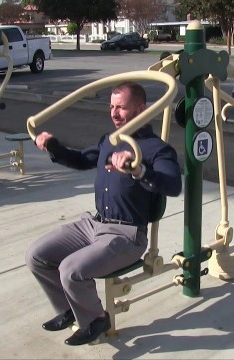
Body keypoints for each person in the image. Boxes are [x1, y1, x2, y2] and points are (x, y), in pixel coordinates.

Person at [25, 81, 182, 346]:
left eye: (121, 107)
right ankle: (68, 310)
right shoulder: (110, 142)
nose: (114, 113)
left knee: (70, 270)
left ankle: (96, 319)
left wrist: (139, 170)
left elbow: (173, 185)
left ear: (141, 109)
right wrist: (53, 146)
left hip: (126, 235)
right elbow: (81, 159)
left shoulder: (157, 149)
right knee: (37, 255)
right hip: (94, 224)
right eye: (111, 107)